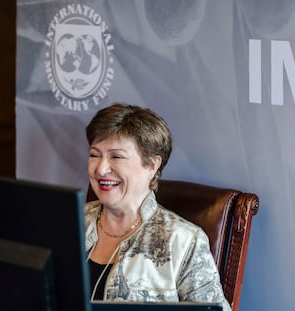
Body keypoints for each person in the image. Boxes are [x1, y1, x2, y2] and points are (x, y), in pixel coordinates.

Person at [84, 103, 231, 310]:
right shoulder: (67, 222)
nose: (101, 169)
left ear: (152, 166)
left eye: (116, 157)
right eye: (94, 155)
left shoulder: (184, 240)